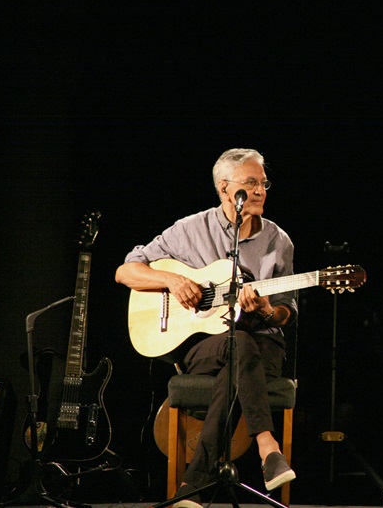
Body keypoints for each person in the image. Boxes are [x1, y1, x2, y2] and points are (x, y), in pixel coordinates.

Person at [115, 148, 297, 508]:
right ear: (225, 188)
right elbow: (126, 271)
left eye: (264, 183)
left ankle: (194, 487)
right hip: (204, 345)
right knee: (236, 343)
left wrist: (265, 309)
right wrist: (170, 280)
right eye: (251, 182)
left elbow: (287, 312)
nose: (260, 190)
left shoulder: (279, 241)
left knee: (242, 342)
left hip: (263, 347)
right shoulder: (190, 229)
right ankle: (267, 446)